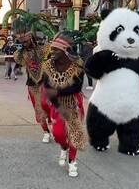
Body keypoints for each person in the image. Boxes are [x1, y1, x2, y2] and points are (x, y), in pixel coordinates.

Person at [42, 32, 86, 177]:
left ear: (64, 51)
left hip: (73, 103)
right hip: (57, 105)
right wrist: (57, 102)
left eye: (56, 49)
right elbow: (48, 88)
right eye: (52, 48)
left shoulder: (77, 65)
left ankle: (72, 162)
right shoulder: (47, 66)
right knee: (59, 134)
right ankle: (63, 147)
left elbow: (77, 88)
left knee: (74, 133)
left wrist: (58, 92)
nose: (52, 52)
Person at [13, 18, 52, 143]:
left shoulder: (43, 47)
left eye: (26, 41)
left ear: (30, 37)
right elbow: (18, 60)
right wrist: (19, 48)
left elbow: (52, 56)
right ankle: (46, 132)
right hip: (33, 85)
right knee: (39, 110)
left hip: (47, 83)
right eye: (22, 42)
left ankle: (56, 128)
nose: (24, 44)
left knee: (51, 107)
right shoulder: (21, 52)